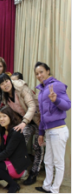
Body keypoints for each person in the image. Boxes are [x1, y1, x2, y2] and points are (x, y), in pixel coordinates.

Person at [0, 73, 43, 185]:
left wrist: (24, 122)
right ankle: (19, 170)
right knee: (19, 142)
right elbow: (14, 112)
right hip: (24, 121)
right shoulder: (4, 96)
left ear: (10, 80)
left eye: (6, 81)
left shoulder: (21, 87)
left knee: (37, 146)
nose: (5, 85)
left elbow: (32, 106)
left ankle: (34, 172)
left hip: (38, 118)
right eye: (2, 84)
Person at [34, 62, 71, 194]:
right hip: (48, 131)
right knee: (48, 160)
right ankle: (47, 186)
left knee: (58, 162)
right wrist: (40, 133)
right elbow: (42, 116)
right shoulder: (41, 91)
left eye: (41, 72)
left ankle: (54, 190)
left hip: (58, 129)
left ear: (48, 71)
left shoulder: (57, 86)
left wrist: (56, 100)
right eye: (37, 74)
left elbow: (67, 105)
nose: (39, 75)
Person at [0, 106, 31, 194]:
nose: (1, 119)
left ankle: (13, 184)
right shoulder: (3, 130)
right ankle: (11, 182)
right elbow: (2, 150)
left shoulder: (16, 132)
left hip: (17, 166)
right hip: (9, 163)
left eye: (4, 116)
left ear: (10, 116)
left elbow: (7, 152)